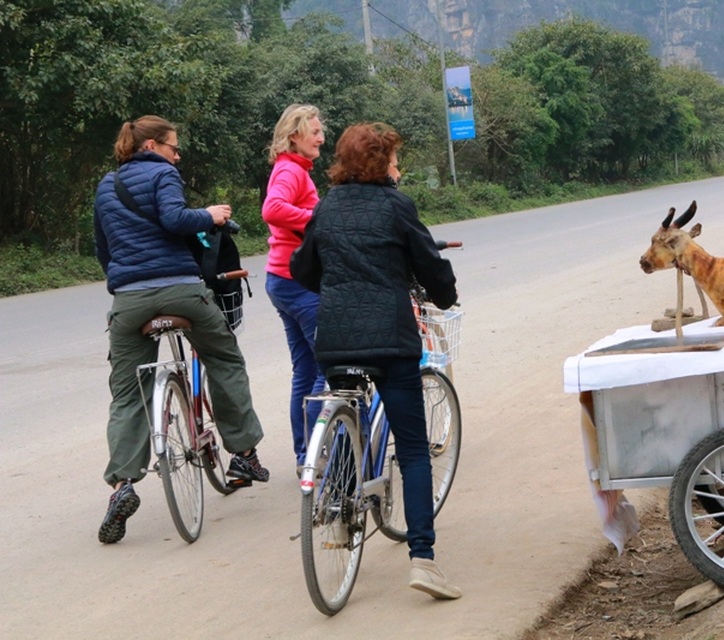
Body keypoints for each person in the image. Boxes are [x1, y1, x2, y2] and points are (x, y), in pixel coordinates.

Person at [291, 122, 461, 600]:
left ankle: (341, 522)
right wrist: (444, 296)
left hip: (337, 339)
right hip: (391, 339)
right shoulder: (395, 206)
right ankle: (423, 559)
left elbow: (303, 269)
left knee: (348, 413)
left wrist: (339, 291)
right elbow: (429, 263)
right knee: (412, 449)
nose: (398, 167)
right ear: (380, 162)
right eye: (393, 159)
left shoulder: (325, 208)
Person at [93, 115, 269, 544]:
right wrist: (209, 214)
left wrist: (126, 282)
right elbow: (174, 219)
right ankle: (243, 453)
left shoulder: (105, 186)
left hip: (130, 301)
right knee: (224, 357)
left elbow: (103, 248)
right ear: (151, 146)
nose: (178, 153)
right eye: (174, 146)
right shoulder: (163, 174)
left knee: (129, 391)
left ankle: (122, 486)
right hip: (182, 291)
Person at [262, 104, 328, 475]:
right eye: (314, 132)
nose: (321, 138)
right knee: (327, 369)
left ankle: (306, 457)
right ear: (294, 137)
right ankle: (319, 456)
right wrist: (317, 221)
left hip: (282, 280)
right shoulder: (290, 170)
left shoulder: (293, 169)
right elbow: (272, 210)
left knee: (304, 371)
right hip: (298, 282)